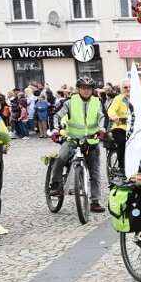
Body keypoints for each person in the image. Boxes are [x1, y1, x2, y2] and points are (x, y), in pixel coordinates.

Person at [48, 76, 107, 213]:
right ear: (78, 89)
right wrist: (56, 131)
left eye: (89, 88)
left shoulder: (97, 102)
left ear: (92, 90)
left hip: (91, 140)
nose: (86, 91)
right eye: (83, 88)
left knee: (95, 172)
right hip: (72, 139)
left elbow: (104, 117)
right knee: (62, 157)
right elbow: (55, 116)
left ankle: (95, 201)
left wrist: (102, 130)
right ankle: (55, 184)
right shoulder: (69, 102)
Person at [106, 79, 134, 174]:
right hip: (120, 127)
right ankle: (121, 166)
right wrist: (114, 116)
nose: (128, 89)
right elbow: (111, 109)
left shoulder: (136, 98)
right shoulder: (119, 98)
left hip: (133, 127)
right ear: (121, 89)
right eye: (125, 87)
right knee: (122, 142)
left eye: (130, 87)